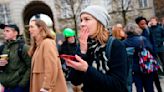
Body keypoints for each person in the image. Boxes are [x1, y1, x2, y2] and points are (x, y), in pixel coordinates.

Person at [63, 5, 128, 92]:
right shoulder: (84, 44)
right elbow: (75, 81)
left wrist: (87, 69)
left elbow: (118, 85)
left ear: (99, 22)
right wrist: (82, 52)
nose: (82, 24)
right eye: (81, 20)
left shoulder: (115, 45)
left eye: (87, 19)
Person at [28, 19, 67, 92]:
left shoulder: (47, 43)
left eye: (32, 27)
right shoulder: (38, 45)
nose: (29, 30)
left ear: (40, 28)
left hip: (47, 88)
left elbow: (51, 66)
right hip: (40, 85)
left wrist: (46, 87)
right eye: (29, 27)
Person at [123, 23, 157, 92]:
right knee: (149, 87)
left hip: (134, 68)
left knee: (139, 87)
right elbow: (152, 51)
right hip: (146, 66)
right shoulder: (142, 39)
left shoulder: (124, 43)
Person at [0, 23, 31, 92]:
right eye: (4, 31)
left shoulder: (23, 48)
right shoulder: (2, 48)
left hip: (19, 87)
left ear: (15, 33)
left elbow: (30, 67)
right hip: (6, 87)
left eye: (7, 31)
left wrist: (22, 85)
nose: (4, 33)